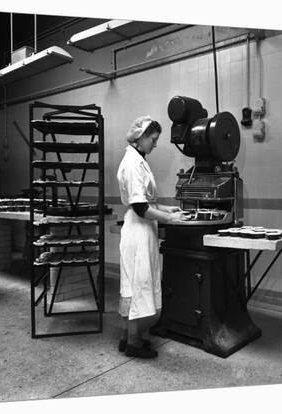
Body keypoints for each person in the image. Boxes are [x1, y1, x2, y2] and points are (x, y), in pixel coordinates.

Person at [116, 115, 186, 358]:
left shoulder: (137, 160)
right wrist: (171, 219)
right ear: (141, 136)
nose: (155, 144)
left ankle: (127, 338)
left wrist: (168, 209)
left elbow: (146, 201)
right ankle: (135, 344)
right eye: (153, 139)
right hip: (138, 230)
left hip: (141, 228)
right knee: (139, 286)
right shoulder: (133, 163)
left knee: (133, 285)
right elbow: (140, 208)